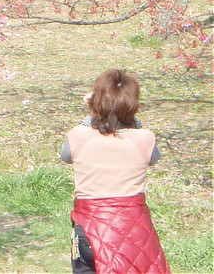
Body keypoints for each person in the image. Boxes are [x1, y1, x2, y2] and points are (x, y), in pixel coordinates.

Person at [61, 69, 170, 274]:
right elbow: (152, 156)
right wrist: (131, 120)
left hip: (89, 225)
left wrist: (93, 114)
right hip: (133, 227)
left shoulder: (79, 136)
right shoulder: (145, 138)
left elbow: (66, 155)